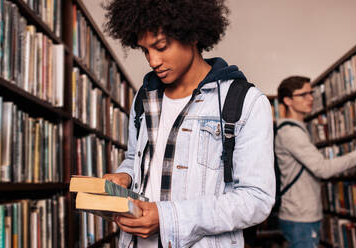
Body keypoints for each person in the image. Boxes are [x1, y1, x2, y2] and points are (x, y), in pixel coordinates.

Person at [101, 0, 275, 247]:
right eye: (145, 50)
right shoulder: (144, 97)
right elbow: (135, 158)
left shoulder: (245, 102)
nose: (153, 61)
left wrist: (167, 217)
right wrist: (124, 176)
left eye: (161, 47)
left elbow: (257, 200)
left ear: (192, 34)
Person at [275, 76, 356, 248]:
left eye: (311, 93)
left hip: (301, 215)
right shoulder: (291, 133)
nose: (311, 98)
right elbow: (323, 169)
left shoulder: (295, 130)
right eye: (303, 95)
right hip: (300, 217)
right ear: (288, 100)